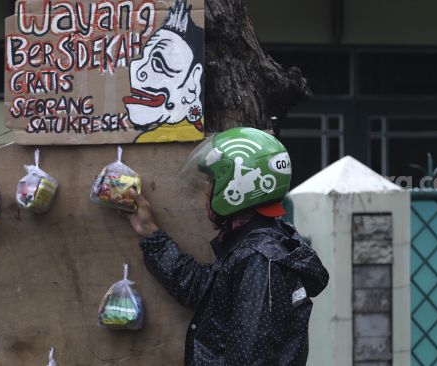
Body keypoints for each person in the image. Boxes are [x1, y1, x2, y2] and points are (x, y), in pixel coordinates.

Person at [123, 127, 329, 365]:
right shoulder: (260, 244)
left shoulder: (259, 260)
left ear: (237, 188)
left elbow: (250, 358)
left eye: (212, 181)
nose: (206, 191)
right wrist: (152, 235)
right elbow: (205, 290)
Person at [123, 0, 204, 143]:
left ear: (192, 82)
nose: (137, 71)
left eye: (159, 64)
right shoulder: (146, 138)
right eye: (143, 58)